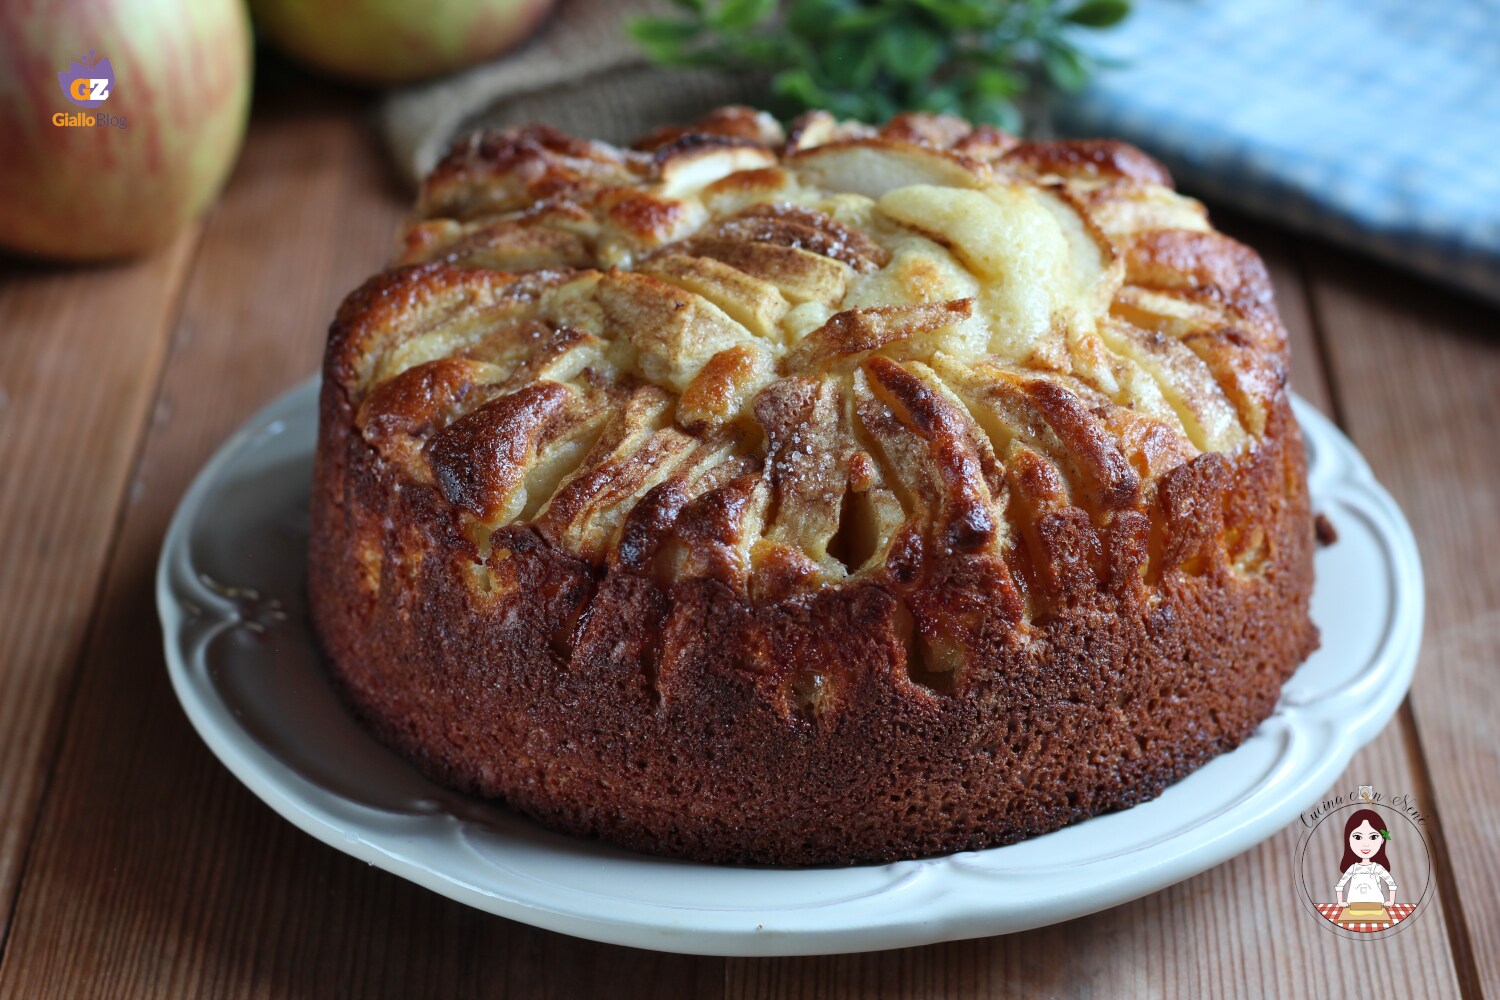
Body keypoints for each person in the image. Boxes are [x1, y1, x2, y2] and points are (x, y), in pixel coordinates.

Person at [1334, 808, 1397, 925]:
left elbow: (1391, 884)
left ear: (1382, 840)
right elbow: (1340, 885)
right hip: (1354, 906)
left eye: (1373, 837)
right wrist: (1341, 902)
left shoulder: (1377, 868)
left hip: (1376, 906)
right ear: (1348, 840)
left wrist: (1390, 901)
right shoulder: (1353, 868)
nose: (1365, 844)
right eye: (1357, 837)